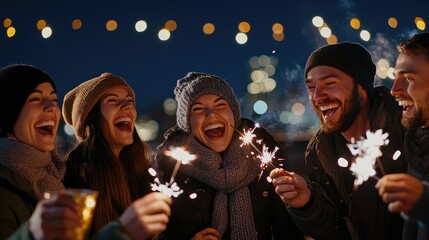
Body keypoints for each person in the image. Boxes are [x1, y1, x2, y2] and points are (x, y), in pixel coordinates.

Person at [270, 42, 408, 239]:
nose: (317, 96)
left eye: (330, 84)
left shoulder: (407, 127)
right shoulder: (319, 153)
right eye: (311, 87)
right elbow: (335, 232)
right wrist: (306, 203)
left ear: (361, 88)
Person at [154, 72, 304, 239]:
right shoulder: (169, 168)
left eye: (220, 105)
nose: (211, 114)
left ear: (234, 114)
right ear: (188, 123)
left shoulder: (265, 154)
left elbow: (290, 230)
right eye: (198, 108)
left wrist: (303, 201)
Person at [62, 72, 172, 239]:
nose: (126, 106)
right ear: (92, 118)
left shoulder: (143, 172)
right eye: (112, 100)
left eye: (129, 101)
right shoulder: (71, 178)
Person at [0, 64, 82, 239]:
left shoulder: (55, 173)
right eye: (35, 99)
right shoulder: (4, 186)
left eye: (54, 100)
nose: (50, 107)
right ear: (8, 113)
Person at [376, 32, 429, 239]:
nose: (395, 90)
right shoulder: (417, 146)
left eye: (408, 78)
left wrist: (424, 204)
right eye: (395, 78)